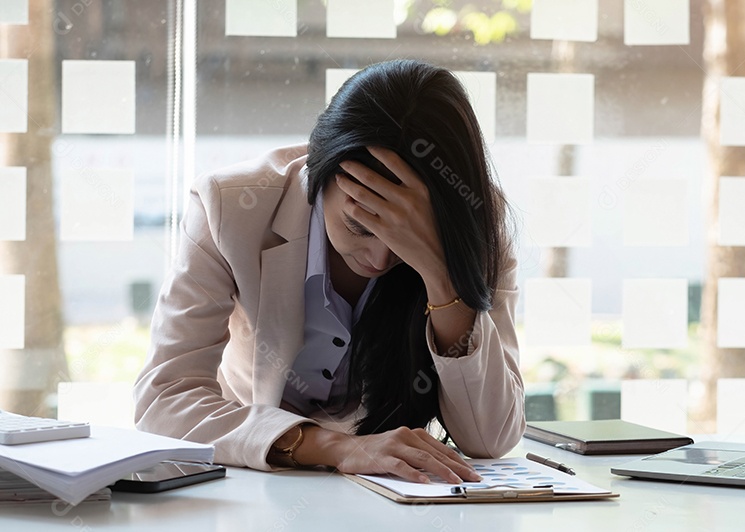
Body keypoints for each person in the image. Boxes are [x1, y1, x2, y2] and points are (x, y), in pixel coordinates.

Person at [134, 60, 524, 484]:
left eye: (401, 240)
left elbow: (490, 437)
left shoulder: (477, 226)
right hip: (254, 477)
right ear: (318, 174)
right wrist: (337, 447)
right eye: (359, 225)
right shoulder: (230, 206)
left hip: (397, 490)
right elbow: (163, 401)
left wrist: (439, 272)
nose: (378, 259)